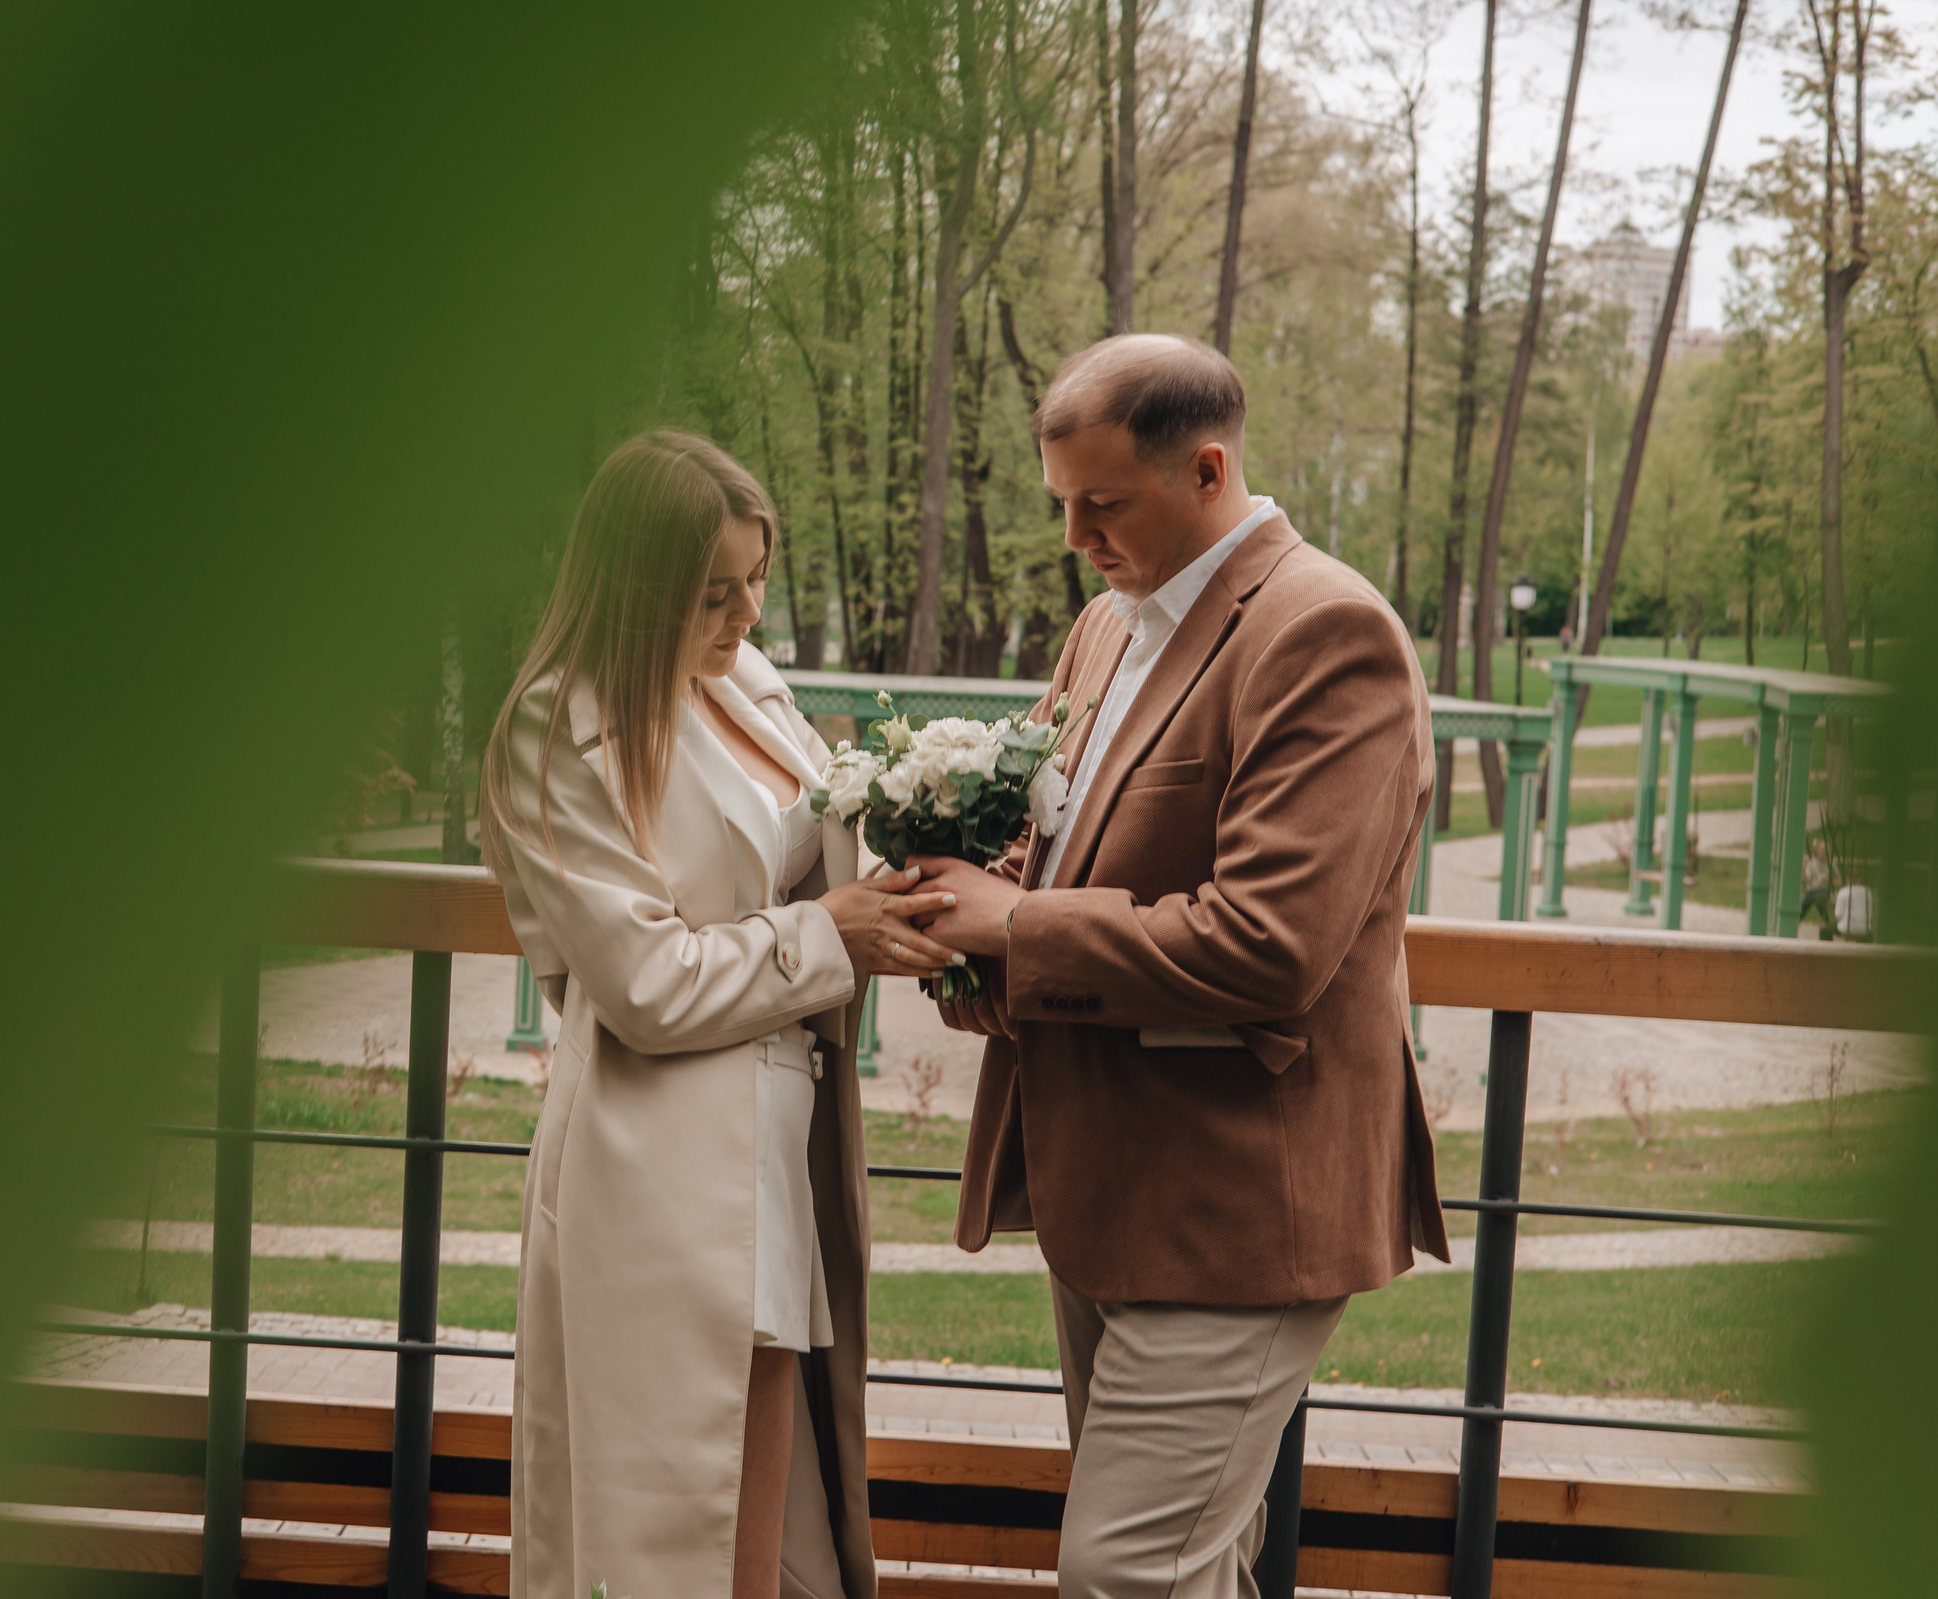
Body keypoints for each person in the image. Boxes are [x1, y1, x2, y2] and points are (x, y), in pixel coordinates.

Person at [907, 336, 1448, 1599]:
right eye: (1062, 504)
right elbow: (1051, 860)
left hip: (1239, 1200)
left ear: (1207, 469)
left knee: (1124, 1569)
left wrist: (1012, 929)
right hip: (1109, 1181)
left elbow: (1271, 946)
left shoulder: (1327, 630)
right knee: (1191, 1567)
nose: (1075, 534)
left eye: (1103, 503)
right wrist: (957, 919)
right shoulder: (1105, 628)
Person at [479, 430, 961, 1599]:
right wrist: (827, 936)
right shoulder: (556, 731)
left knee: (762, 1505)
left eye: (756, 576)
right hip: (656, 1157)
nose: (746, 610)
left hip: (775, 1141)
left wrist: (934, 829)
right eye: (711, 592)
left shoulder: (744, 681)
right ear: (637, 589)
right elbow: (641, 985)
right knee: (659, 1523)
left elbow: (808, 841)